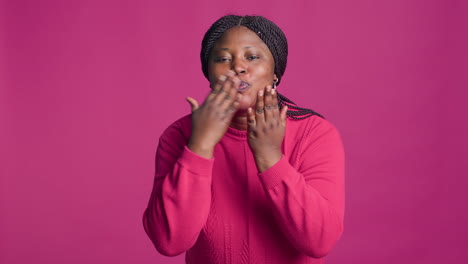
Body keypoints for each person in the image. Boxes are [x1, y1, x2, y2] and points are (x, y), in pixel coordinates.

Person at [142, 15, 345, 264]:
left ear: (275, 73)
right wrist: (200, 146)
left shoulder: (314, 133)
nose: (237, 67)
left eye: (252, 57)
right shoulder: (180, 136)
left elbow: (319, 240)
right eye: (223, 58)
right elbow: (170, 241)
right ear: (209, 73)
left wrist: (270, 157)